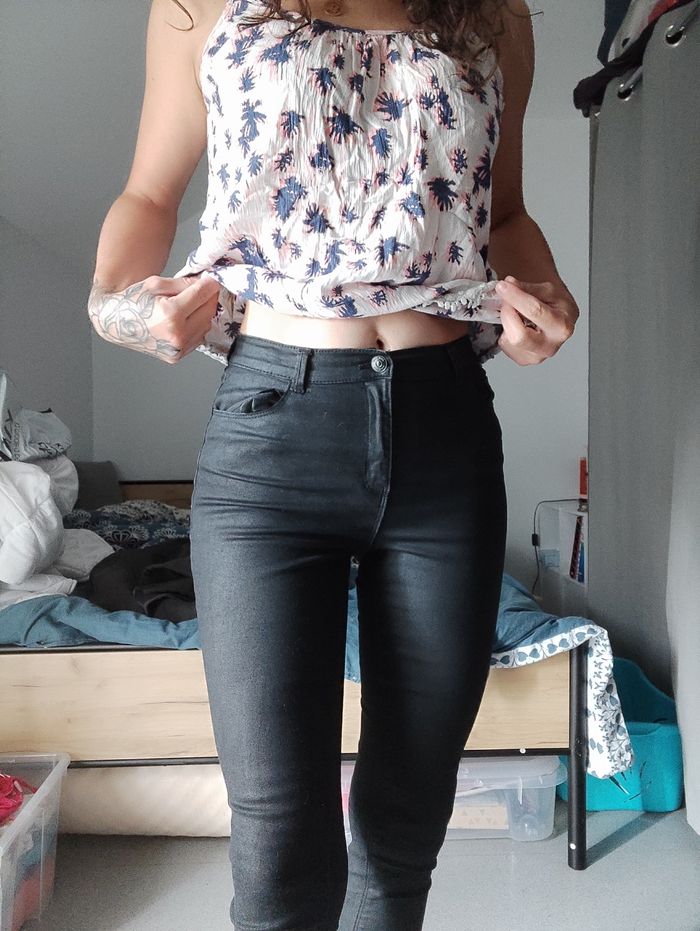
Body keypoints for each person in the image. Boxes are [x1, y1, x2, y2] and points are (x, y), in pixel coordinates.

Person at [88, 1, 579, 927]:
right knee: (280, 842)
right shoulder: (205, 6)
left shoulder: (493, 13)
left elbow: (505, 215)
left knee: (404, 829)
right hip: (272, 430)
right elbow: (149, 196)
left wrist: (543, 294)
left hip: (446, 432)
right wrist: (120, 311)